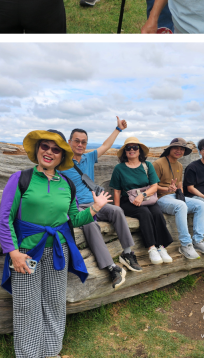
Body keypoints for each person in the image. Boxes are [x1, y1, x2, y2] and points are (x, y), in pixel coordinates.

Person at [0, 130, 109, 358]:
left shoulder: (67, 184)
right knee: (26, 305)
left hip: (58, 250)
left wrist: (95, 208)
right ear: (38, 149)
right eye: (45, 147)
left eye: (55, 149)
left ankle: (50, 351)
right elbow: (5, 218)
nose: (49, 152)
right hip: (26, 252)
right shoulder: (21, 178)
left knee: (55, 302)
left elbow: (73, 219)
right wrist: (13, 253)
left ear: (61, 156)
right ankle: (29, 355)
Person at [60, 119, 137, 288]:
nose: (80, 144)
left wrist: (118, 129)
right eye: (77, 141)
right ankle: (111, 267)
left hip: (96, 201)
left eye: (83, 142)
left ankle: (128, 253)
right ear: (69, 142)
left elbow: (106, 145)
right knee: (89, 224)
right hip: (77, 205)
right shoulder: (61, 163)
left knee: (116, 210)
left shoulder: (89, 157)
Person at [109, 137, 174, 265]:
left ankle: (161, 246)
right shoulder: (119, 168)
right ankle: (151, 248)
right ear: (125, 151)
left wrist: (142, 195)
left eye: (135, 147)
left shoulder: (147, 165)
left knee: (157, 212)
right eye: (128, 148)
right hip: (127, 201)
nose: (131, 150)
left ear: (140, 151)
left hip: (146, 198)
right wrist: (117, 210)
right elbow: (116, 191)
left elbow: (154, 186)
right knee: (144, 212)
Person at [152, 138, 204, 260]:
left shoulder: (179, 165)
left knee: (200, 204)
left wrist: (182, 197)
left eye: (181, 149)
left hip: (176, 197)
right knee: (181, 206)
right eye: (176, 148)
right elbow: (151, 187)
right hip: (161, 198)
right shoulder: (158, 164)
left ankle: (198, 241)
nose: (179, 151)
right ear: (170, 149)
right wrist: (167, 189)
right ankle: (185, 244)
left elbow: (179, 186)